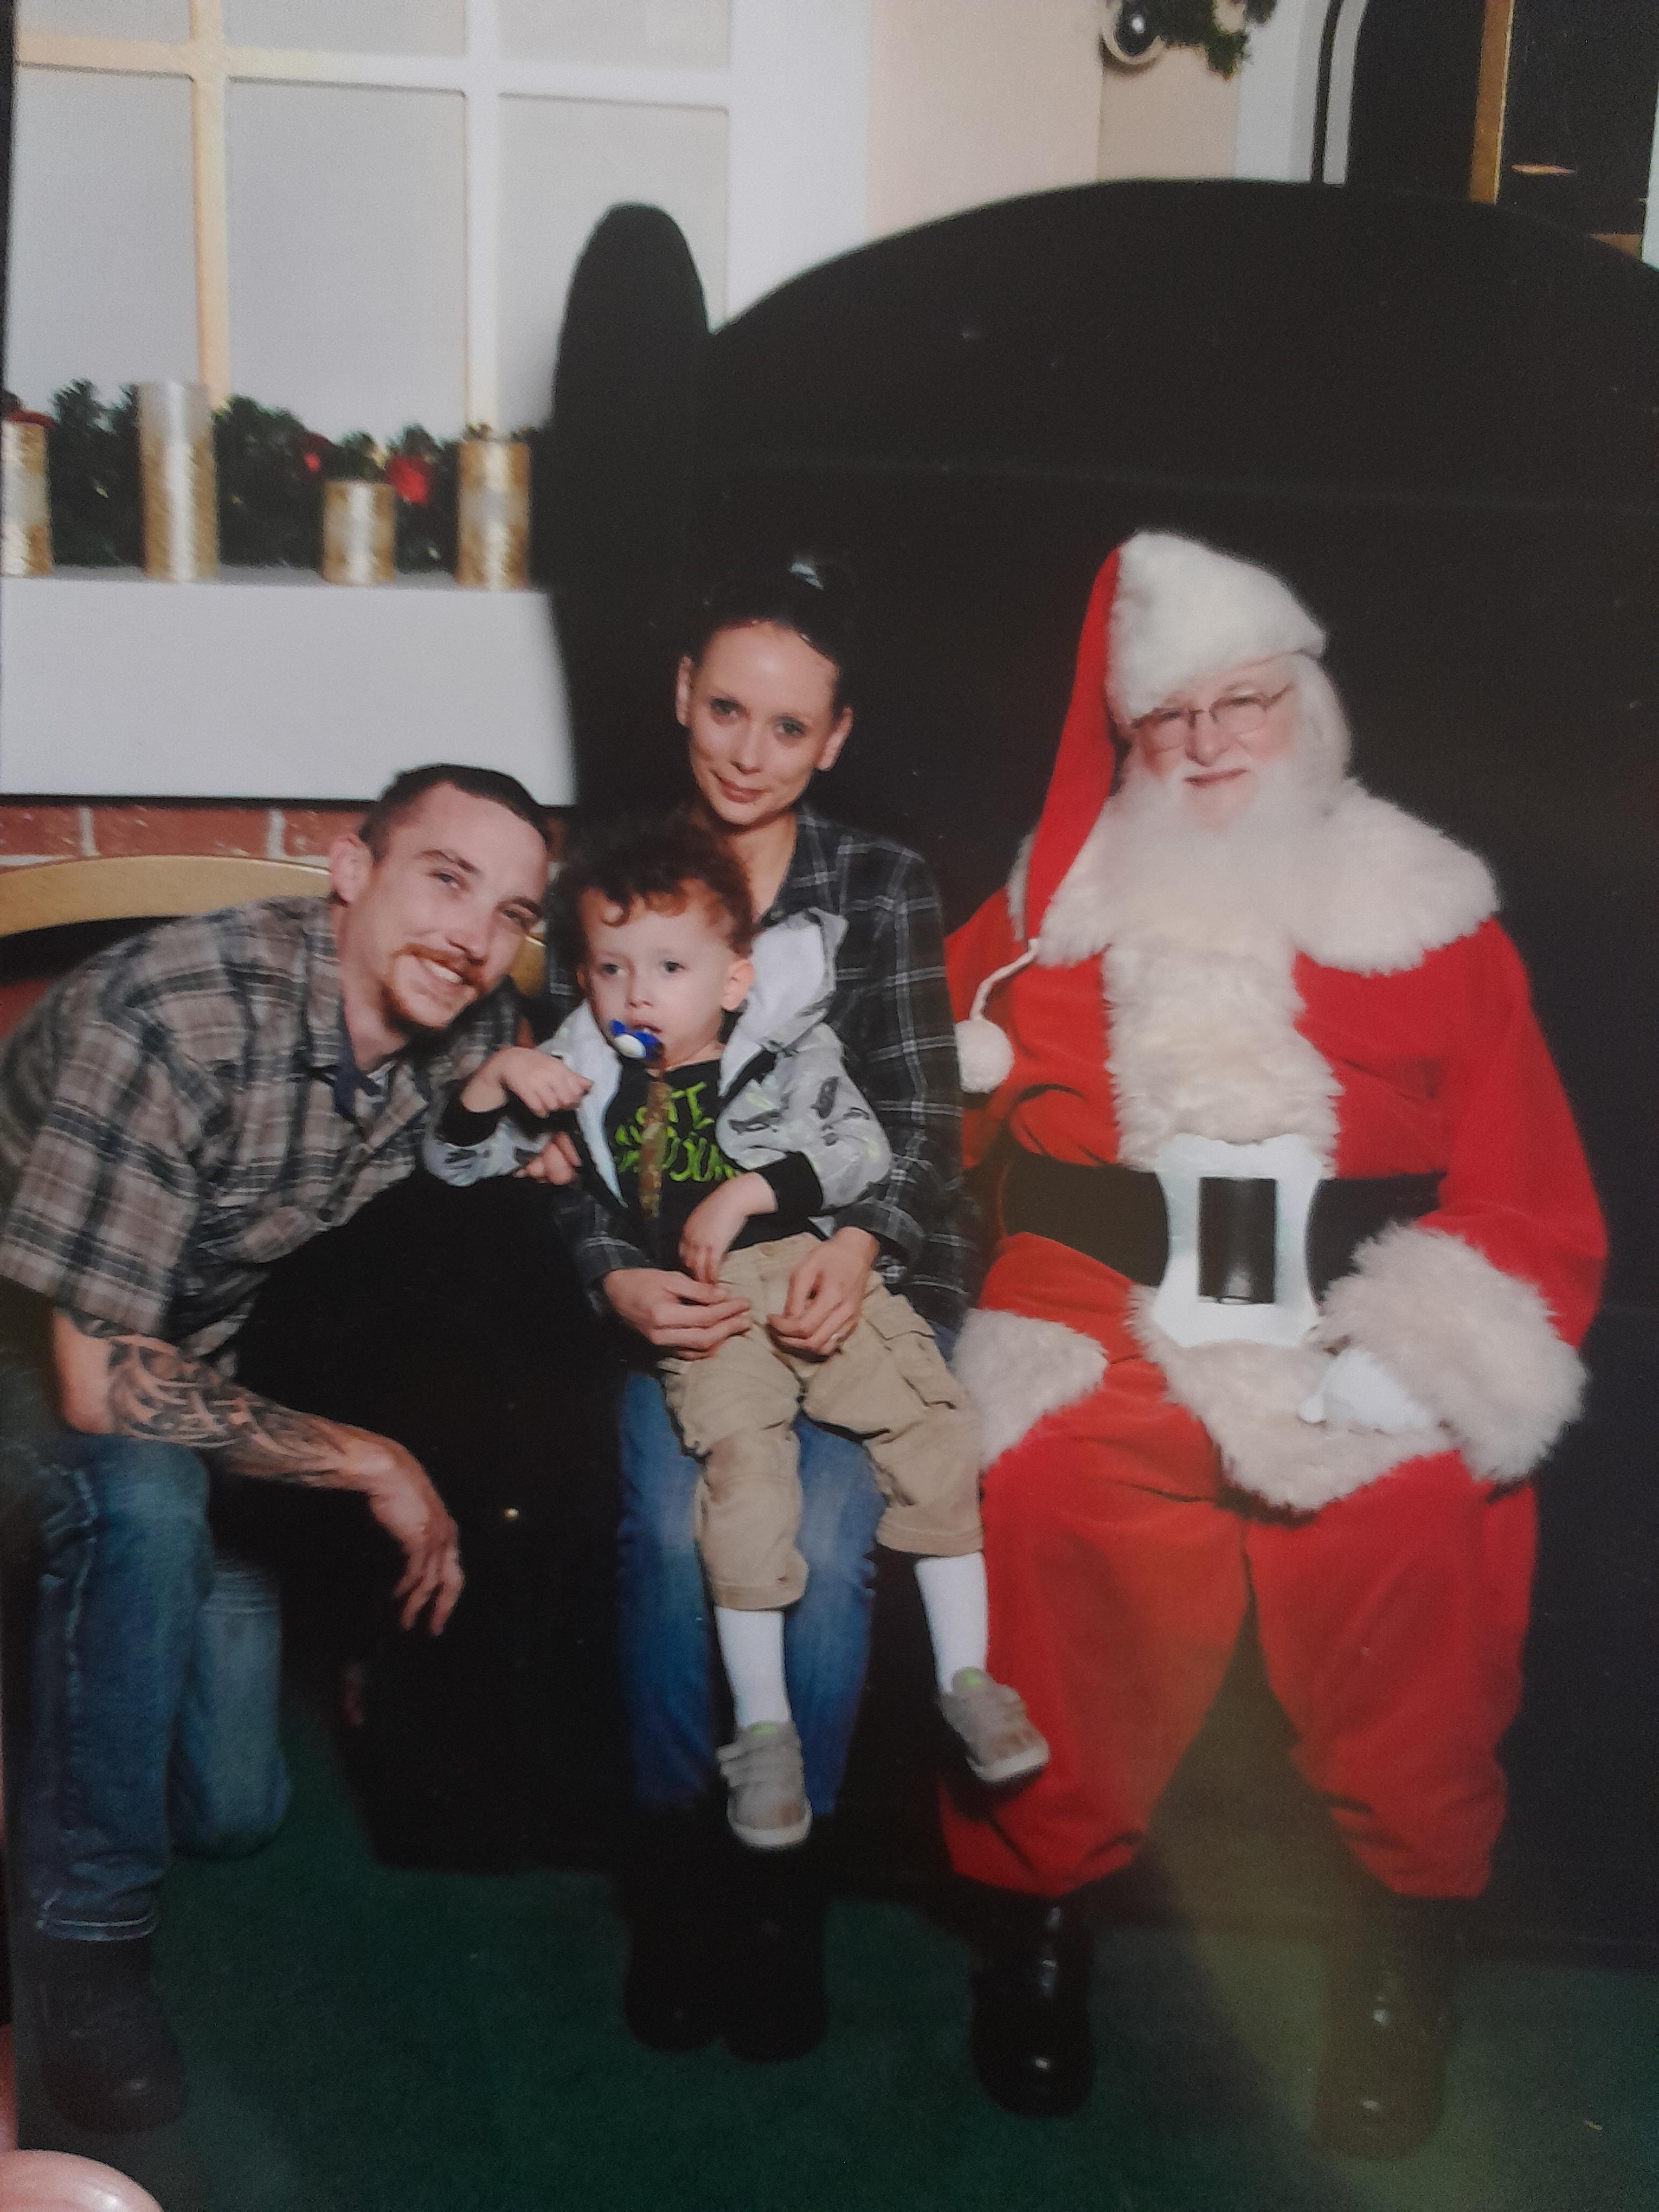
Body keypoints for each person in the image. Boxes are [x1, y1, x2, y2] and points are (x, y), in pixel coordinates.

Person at [942, 533, 1605, 2150]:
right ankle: (1034, 1915)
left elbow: (1530, 1191)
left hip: (1347, 1306)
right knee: (1032, 1495)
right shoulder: (1047, 915)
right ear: (1130, 745)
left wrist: (1420, 1346)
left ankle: (1404, 1941)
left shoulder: (1429, 918)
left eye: (1248, 700)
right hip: (1094, 1306)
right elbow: (898, 1104)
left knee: (1415, 1523)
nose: (1216, 741)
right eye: (1173, 720)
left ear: (1306, 705)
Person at [0, 763, 551, 2134]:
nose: (474, 934)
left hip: (199, 1366)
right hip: (44, 1357)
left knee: (238, 1807)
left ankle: (88, 1690)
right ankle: (85, 1956)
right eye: (444, 877)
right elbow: (96, 1382)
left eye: (510, 908)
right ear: (348, 870)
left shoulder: (465, 1017)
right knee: (140, 1502)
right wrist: (370, 1461)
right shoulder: (173, 1015)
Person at [529, 557, 968, 2060]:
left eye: (785, 728)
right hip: (688, 1308)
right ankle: (675, 1879)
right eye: (725, 709)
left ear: (832, 740)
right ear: (680, 699)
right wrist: (612, 1274)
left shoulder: (876, 888)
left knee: (830, 1541)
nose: (744, 749)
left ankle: (782, 1881)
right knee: (670, 1533)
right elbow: (572, 1139)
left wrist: (859, 1237)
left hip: (840, 1285)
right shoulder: (608, 878)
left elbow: (918, 1127)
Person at [428, 813, 1043, 1849]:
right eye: (612, 968)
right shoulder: (580, 1071)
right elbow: (461, 1169)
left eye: (668, 966)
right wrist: (488, 1087)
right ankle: (763, 1737)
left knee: (931, 1437)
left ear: (730, 980)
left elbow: (863, 1149)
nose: (636, 992)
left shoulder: (789, 1051)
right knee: (743, 1490)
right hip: (702, 1316)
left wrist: (749, 1192)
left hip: (811, 1269)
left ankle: (967, 1677)